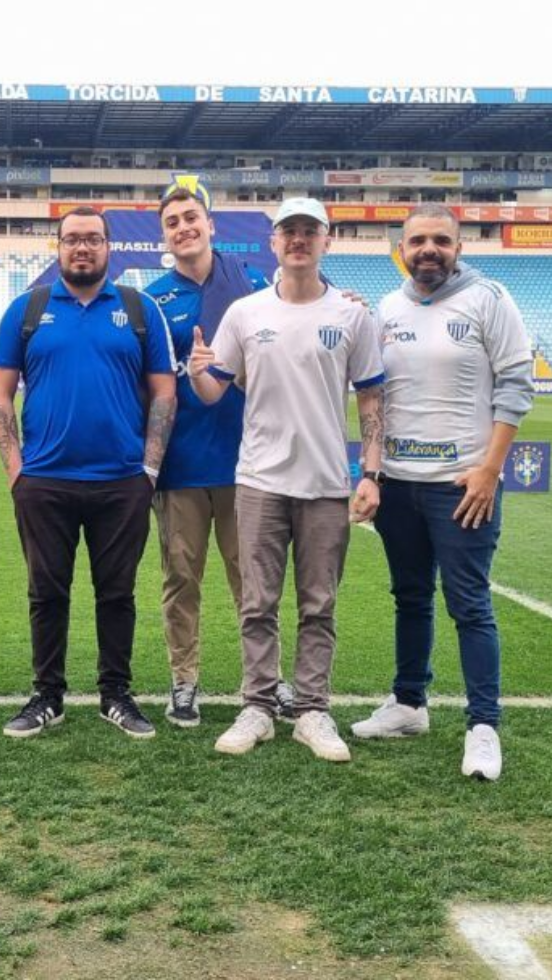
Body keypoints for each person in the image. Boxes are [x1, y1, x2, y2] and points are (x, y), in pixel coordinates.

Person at [188, 198, 385, 764]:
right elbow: (213, 391)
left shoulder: (352, 315)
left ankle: (313, 710)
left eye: (309, 231)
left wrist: (370, 473)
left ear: (326, 240)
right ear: (273, 242)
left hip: (325, 483)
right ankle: (258, 706)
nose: (298, 240)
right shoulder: (246, 313)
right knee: (258, 603)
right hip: (259, 481)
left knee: (319, 605)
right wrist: (200, 372)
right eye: (288, 232)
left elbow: (371, 397)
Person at [350, 203, 534, 782]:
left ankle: (484, 726)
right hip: (400, 484)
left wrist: (490, 469)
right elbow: (375, 393)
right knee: (410, 596)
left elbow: (517, 384)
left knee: (470, 604)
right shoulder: (386, 308)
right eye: (418, 240)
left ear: (459, 247)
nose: (429, 249)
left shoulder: (489, 299)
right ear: (400, 248)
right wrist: (375, 474)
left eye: (441, 240)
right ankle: (409, 704)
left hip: (462, 484)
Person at [0, 205, 178, 739]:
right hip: (44, 480)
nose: (82, 248)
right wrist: (15, 470)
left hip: (122, 481)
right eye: (72, 239)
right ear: (58, 246)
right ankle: (47, 695)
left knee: (116, 593)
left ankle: (115, 693)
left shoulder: (139, 309)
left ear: (108, 247)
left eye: (92, 239)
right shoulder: (28, 309)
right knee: (46, 592)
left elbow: (165, 392)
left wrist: (149, 469)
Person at [144, 179, 277, 728]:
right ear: (164, 235)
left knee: (253, 581)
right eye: (173, 222)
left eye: (191, 217)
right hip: (181, 465)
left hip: (250, 461)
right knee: (181, 580)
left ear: (211, 224)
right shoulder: (154, 299)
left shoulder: (255, 284)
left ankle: (264, 684)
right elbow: (149, 385)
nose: (184, 227)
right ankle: (184, 681)